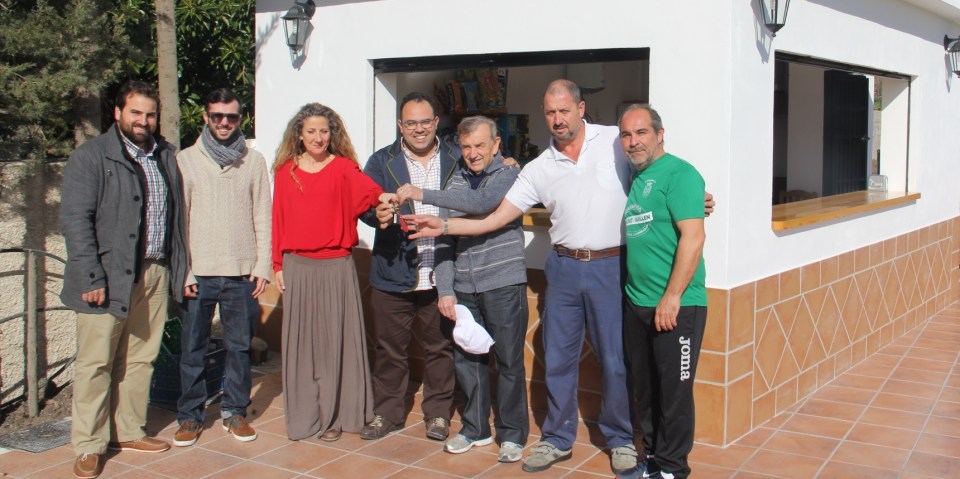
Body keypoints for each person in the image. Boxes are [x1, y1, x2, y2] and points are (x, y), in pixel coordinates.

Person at [402, 80, 714, 475]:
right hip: (563, 268)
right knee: (559, 358)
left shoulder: (613, 141)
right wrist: (443, 226)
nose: (557, 119)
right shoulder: (537, 169)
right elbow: (496, 217)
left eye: (564, 110)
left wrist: (697, 198)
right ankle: (557, 438)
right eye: (550, 112)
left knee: (615, 360)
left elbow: (654, 169)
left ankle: (620, 439)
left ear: (581, 108)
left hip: (611, 266)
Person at [59, 80, 187, 479]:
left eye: (150, 114)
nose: (143, 121)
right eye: (135, 112)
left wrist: (175, 270)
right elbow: (75, 221)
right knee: (96, 363)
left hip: (153, 271)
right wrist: (90, 275)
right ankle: (90, 444)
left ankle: (128, 429)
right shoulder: (92, 156)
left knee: (141, 357)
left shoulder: (164, 155)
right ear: (117, 113)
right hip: (107, 277)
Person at [396, 116, 529, 463]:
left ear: (497, 145)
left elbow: (482, 203)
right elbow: (442, 240)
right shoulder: (454, 180)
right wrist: (445, 289)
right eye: (467, 146)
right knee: (468, 359)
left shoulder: (510, 175)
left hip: (502, 282)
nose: (472, 153)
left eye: (480, 145)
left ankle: (513, 434)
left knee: (509, 362)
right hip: (465, 288)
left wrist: (422, 192)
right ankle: (475, 428)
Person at [271, 103, 390, 442]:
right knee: (302, 348)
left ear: (332, 133)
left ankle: (336, 417)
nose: (318, 137)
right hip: (297, 267)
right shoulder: (285, 172)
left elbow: (371, 192)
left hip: (337, 266)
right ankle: (307, 417)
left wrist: (388, 197)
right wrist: (277, 264)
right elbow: (277, 219)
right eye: (311, 131)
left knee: (335, 345)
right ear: (300, 134)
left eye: (324, 131)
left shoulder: (342, 168)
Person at [357, 92, 459, 442]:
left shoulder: (456, 157)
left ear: (436, 123)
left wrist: (506, 163)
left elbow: (483, 177)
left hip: (441, 272)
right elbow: (367, 206)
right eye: (411, 123)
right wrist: (378, 215)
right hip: (394, 270)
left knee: (441, 349)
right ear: (401, 125)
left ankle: (438, 414)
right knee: (389, 350)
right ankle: (387, 413)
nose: (419, 129)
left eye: (425, 122)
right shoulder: (381, 161)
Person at [173, 88, 271, 447]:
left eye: (231, 116)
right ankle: (190, 416)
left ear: (240, 118)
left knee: (239, 347)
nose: (224, 122)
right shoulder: (186, 160)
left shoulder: (253, 161)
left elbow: (263, 213)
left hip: (241, 274)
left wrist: (262, 265)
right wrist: (183, 271)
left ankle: (235, 411)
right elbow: (179, 222)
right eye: (217, 116)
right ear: (205, 117)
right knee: (192, 348)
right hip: (198, 273)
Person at [619, 104, 706, 479]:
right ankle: (653, 459)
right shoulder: (636, 176)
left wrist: (671, 297)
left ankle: (673, 468)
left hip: (678, 306)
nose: (634, 142)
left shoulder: (681, 173)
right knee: (647, 390)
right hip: (638, 303)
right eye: (626, 135)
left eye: (641, 133)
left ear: (659, 133)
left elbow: (694, 236)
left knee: (674, 392)